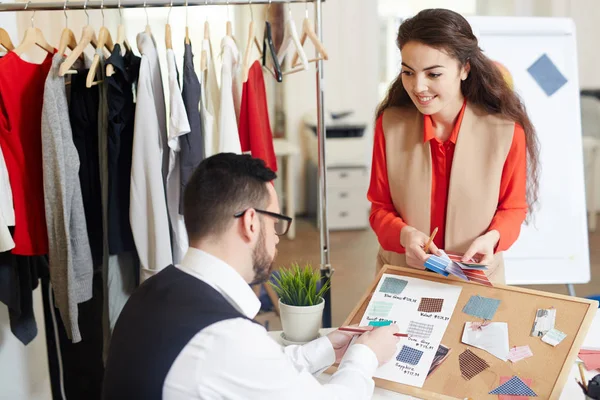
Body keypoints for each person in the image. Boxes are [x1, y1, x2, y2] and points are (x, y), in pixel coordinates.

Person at [102, 153, 401, 400]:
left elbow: (255, 374)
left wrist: (325, 349)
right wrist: (366, 355)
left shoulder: (152, 291)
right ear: (251, 223)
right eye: (276, 223)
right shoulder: (224, 336)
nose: (277, 239)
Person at [368, 9, 540, 283]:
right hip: (403, 275)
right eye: (408, 72)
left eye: (433, 74)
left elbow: (513, 208)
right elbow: (380, 207)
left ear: (464, 69)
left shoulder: (506, 131)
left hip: (476, 276)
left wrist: (492, 239)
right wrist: (405, 236)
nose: (418, 86)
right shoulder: (390, 125)